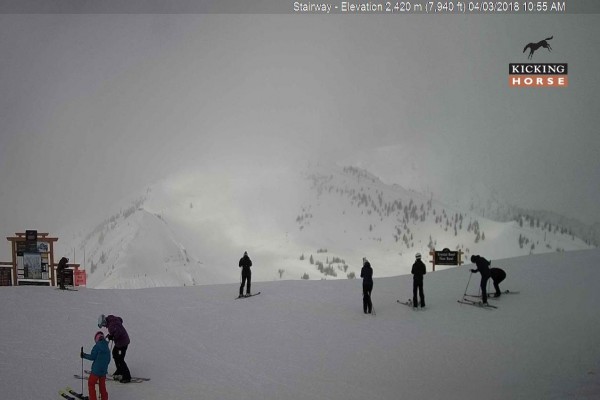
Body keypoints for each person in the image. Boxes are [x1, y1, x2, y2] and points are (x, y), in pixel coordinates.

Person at [98, 314, 131, 383]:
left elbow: (118, 332)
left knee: (120, 359)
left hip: (122, 343)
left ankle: (127, 376)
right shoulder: (112, 319)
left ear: (104, 322)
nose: (104, 326)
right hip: (121, 342)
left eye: (103, 325)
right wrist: (111, 335)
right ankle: (119, 370)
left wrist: (112, 337)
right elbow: (120, 319)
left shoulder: (111, 325)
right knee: (115, 354)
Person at [80, 331, 111, 400]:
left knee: (91, 384)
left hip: (96, 371)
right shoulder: (107, 347)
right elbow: (109, 359)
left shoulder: (97, 346)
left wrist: (83, 355)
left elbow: (92, 357)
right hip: (103, 371)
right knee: (102, 386)